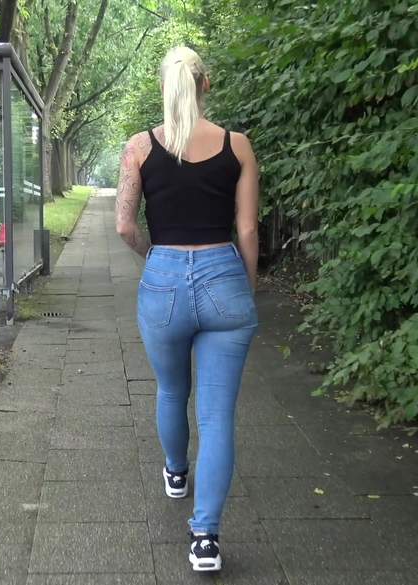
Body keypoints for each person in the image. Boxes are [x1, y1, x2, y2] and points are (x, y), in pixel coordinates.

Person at [114, 45, 259, 573]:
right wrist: (245, 285)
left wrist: (154, 256)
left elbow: (124, 226)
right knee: (217, 417)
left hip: (164, 281)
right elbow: (247, 229)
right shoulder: (237, 145)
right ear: (206, 85)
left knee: (173, 390)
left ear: (163, 87)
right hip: (224, 277)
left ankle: (176, 472)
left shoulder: (139, 148)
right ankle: (205, 539)